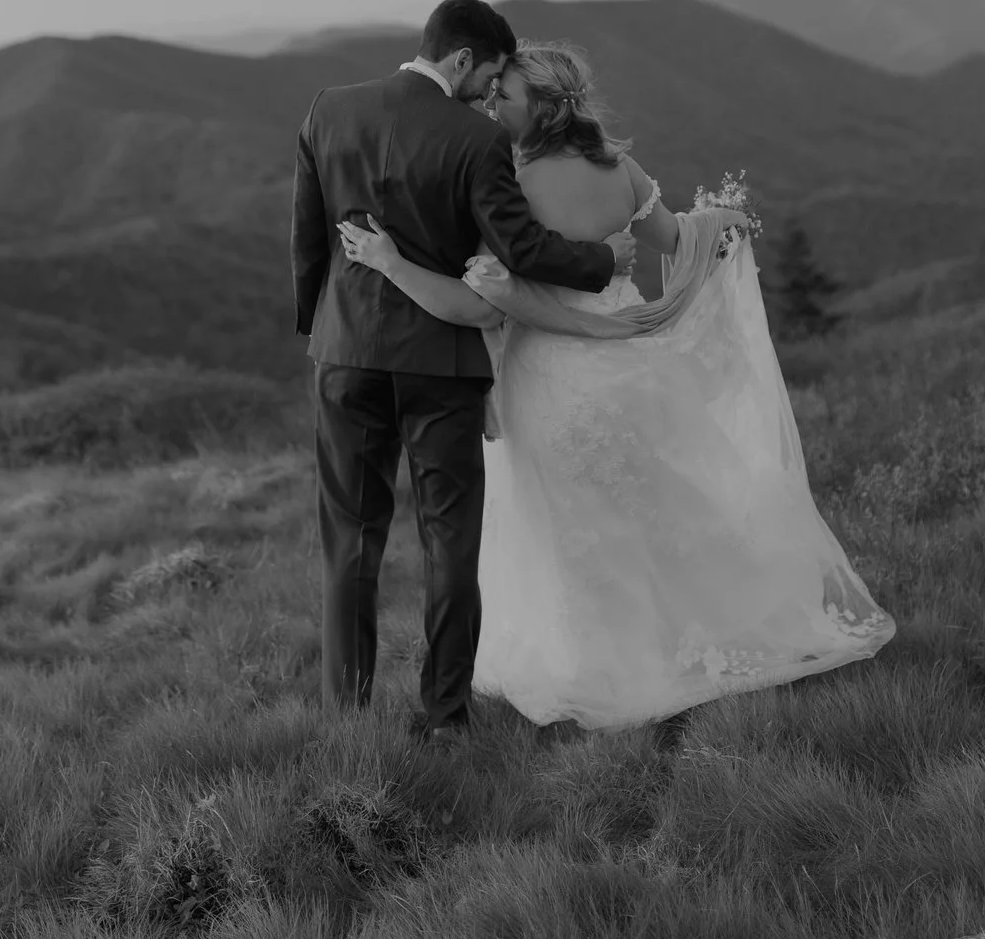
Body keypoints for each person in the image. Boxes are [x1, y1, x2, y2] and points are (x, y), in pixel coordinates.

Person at [335, 41, 893, 731]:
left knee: (568, 527)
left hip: (550, 379)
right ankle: (685, 635)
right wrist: (721, 220)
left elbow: (485, 303)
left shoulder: (508, 185)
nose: (491, 103)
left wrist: (389, 262)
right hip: (632, 370)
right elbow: (676, 239)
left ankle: (599, 662)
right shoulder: (620, 170)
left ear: (541, 108)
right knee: (649, 510)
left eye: (504, 95)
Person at [292, 0, 635, 740]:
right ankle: (446, 716)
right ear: (461, 59)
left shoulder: (329, 109)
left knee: (351, 540)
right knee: (450, 542)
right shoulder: (477, 139)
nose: (489, 91)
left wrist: (318, 327)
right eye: (490, 73)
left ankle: (344, 718)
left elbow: (308, 238)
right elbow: (523, 249)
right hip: (440, 363)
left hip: (343, 353)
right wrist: (604, 261)